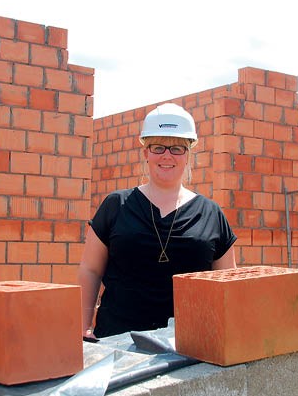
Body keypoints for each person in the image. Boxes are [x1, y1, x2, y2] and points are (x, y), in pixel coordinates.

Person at [78, 102, 237, 339]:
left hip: (191, 347)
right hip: (117, 342)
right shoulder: (116, 205)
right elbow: (90, 270)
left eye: (176, 148)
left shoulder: (211, 214)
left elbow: (228, 283)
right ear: (146, 153)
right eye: (158, 147)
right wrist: (82, 326)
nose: (167, 155)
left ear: (187, 155)